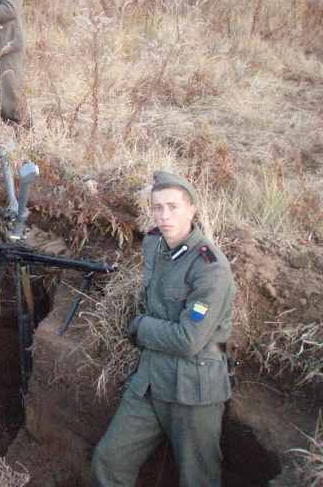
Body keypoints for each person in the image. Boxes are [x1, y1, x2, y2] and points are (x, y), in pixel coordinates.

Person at [91, 171, 236, 487]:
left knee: (198, 478)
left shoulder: (211, 267)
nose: (164, 216)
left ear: (191, 210)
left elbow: (188, 339)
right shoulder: (155, 243)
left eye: (173, 207)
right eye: (157, 207)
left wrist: (140, 327)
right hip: (150, 381)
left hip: (193, 389)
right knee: (109, 460)